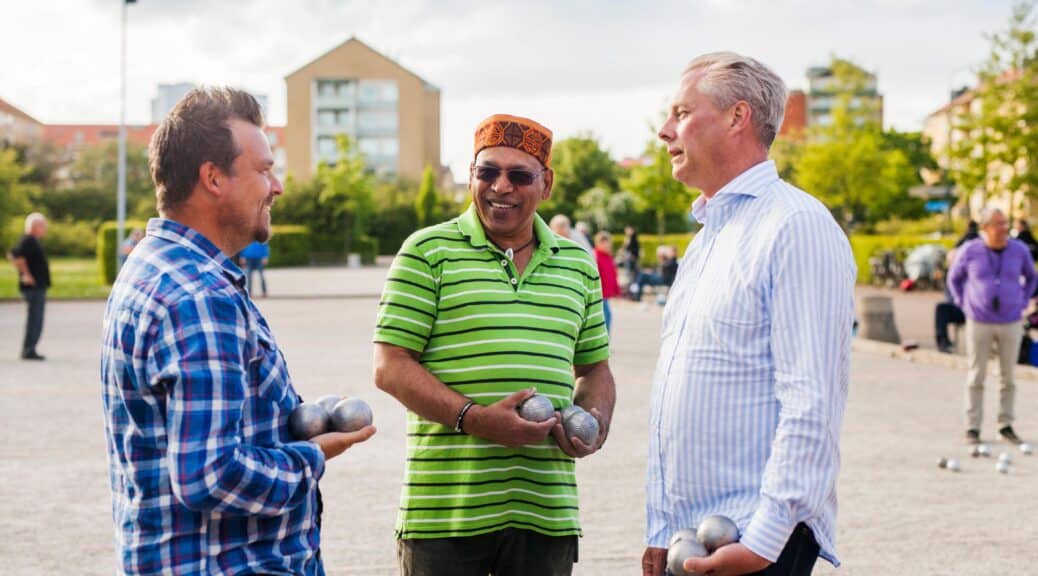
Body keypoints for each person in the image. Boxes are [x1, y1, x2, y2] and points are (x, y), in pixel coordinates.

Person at [100, 87, 375, 575]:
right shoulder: (199, 296)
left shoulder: (153, 265)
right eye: (264, 169)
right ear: (213, 178)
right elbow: (209, 475)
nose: (278, 186)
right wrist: (312, 456)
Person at [373, 113, 616, 576]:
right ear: (471, 176)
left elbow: (596, 370)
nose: (500, 186)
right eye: (487, 172)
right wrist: (477, 420)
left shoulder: (578, 265)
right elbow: (389, 365)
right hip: (445, 516)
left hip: (546, 512)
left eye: (519, 175)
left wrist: (595, 421)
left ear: (547, 184)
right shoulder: (427, 252)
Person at [643, 53, 856, 576]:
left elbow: (812, 401)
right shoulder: (707, 237)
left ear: (738, 118)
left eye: (681, 113)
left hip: (751, 540)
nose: (665, 131)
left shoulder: (795, 225)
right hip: (692, 538)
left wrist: (763, 542)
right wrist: (660, 530)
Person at [948, 207, 1036, 446]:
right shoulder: (971, 250)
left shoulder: (1019, 250)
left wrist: (1023, 300)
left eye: (1006, 223)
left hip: (1011, 320)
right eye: (998, 224)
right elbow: (953, 278)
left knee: (1008, 377)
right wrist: (963, 303)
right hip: (979, 320)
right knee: (976, 375)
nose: (1004, 228)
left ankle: (1005, 424)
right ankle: (972, 427)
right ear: (985, 227)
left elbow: (1032, 276)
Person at [8, 212, 50, 360]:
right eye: (43, 226)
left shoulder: (31, 240)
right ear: (35, 226)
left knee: (36, 319)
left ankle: (30, 349)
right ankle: (28, 350)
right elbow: (14, 255)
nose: (45, 229)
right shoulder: (28, 240)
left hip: (38, 287)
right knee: (35, 320)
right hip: (34, 288)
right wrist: (25, 274)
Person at [593, 231, 621, 331]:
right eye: (602, 242)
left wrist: (617, 289)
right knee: (605, 317)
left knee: (607, 318)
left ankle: (605, 341)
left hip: (606, 294)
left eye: (607, 242)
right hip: (599, 293)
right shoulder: (595, 255)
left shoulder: (608, 257)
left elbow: (613, 274)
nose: (605, 245)